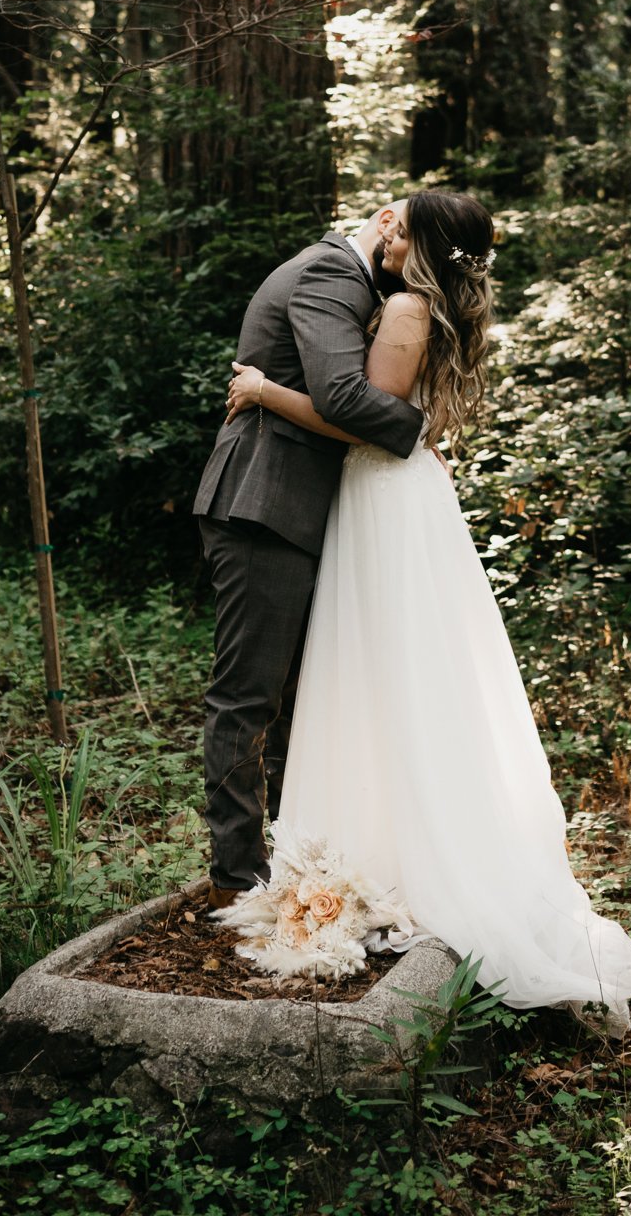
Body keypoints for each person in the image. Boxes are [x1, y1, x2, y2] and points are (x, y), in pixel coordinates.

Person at [220, 188, 631, 1031]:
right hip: (398, 499)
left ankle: (382, 855)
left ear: (413, 239)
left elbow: (367, 420)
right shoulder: (420, 303)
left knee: (378, 670)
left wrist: (266, 390)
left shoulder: (404, 307)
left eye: (401, 222)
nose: (384, 228)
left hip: (380, 495)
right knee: (394, 671)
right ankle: (383, 843)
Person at [193, 203, 425, 911]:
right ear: (384, 221)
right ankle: (238, 875)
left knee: (299, 697)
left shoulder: (364, 285)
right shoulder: (331, 270)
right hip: (264, 501)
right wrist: (420, 425)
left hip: (296, 506)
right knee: (248, 694)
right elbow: (343, 396)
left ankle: (298, 859)